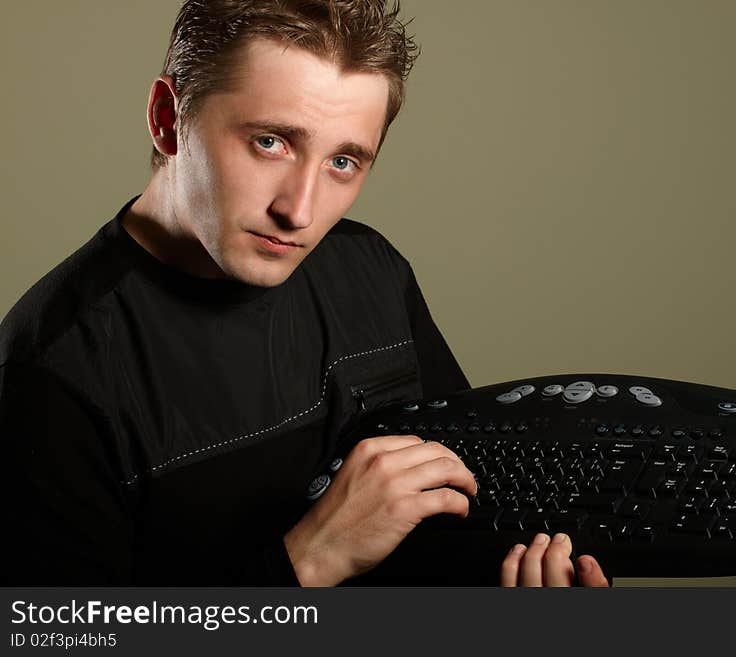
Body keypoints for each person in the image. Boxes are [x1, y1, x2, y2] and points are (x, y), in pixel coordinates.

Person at [0, 0, 608, 588]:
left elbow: (460, 506)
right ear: (168, 118)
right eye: (271, 142)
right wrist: (308, 560)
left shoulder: (371, 268)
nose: (300, 212)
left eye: (343, 161)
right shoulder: (50, 374)